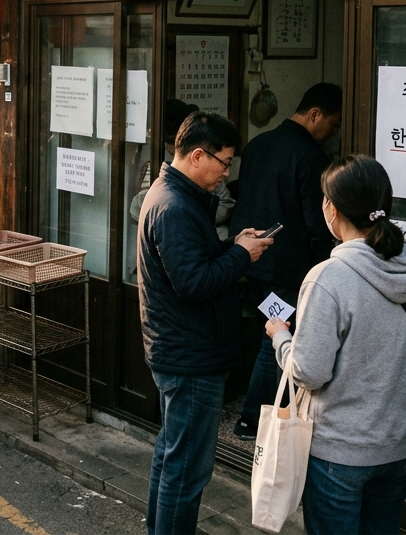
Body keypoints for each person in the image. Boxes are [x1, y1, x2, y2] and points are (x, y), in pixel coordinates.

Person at [267, 155, 406, 535]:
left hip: (338, 451)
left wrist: (280, 338)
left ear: (332, 208)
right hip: (398, 444)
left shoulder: (329, 277)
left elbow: (309, 371)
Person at [136, 112, 273, 535]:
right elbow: (193, 283)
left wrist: (233, 244)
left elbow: (191, 262)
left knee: (172, 456)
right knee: (187, 470)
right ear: (197, 156)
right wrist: (240, 256)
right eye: (224, 162)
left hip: (181, 347)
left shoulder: (174, 195)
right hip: (190, 355)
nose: (226, 172)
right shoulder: (174, 206)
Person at [230, 83, 342, 439]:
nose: (335, 133)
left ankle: (268, 416)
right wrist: (325, 265)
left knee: (272, 333)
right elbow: (317, 222)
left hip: (253, 259)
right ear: (314, 115)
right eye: (334, 125)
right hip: (291, 270)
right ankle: (256, 419)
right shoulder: (311, 158)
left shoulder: (258, 144)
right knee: (278, 338)